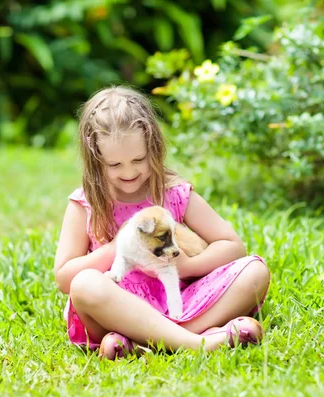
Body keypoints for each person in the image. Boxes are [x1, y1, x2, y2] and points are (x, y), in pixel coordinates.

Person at [54, 86, 270, 360]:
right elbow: (64, 278)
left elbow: (232, 246)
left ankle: (146, 343)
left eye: (138, 160)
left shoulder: (173, 193)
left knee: (254, 271)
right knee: (85, 284)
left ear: (153, 147)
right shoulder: (85, 204)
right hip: (118, 310)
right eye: (115, 165)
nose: (129, 172)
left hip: (179, 301)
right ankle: (198, 342)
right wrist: (117, 247)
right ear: (95, 157)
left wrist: (189, 266)